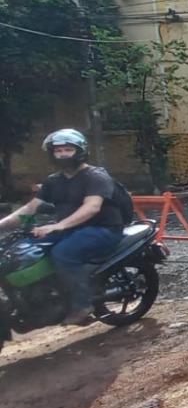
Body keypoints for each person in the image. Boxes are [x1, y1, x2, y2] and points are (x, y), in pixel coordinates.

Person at [0, 129, 127, 325]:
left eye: (68, 149)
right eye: (58, 151)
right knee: (23, 251)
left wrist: (58, 225)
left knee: (63, 253)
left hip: (103, 230)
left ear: (80, 151)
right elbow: (29, 209)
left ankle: (82, 304)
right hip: (70, 230)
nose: (63, 154)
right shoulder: (54, 180)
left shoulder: (95, 176)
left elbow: (92, 207)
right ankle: (47, 297)